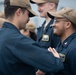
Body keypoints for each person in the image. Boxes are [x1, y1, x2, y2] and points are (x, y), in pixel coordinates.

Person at [0, 0, 63, 75]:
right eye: (28, 14)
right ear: (19, 12)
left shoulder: (3, 35)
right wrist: (56, 59)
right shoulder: (17, 40)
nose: (28, 19)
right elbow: (54, 64)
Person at [47, 7, 76, 75]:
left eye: (57, 21)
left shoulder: (74, 48)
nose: (53, 25)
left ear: (67, 24)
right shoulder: (61, 45)